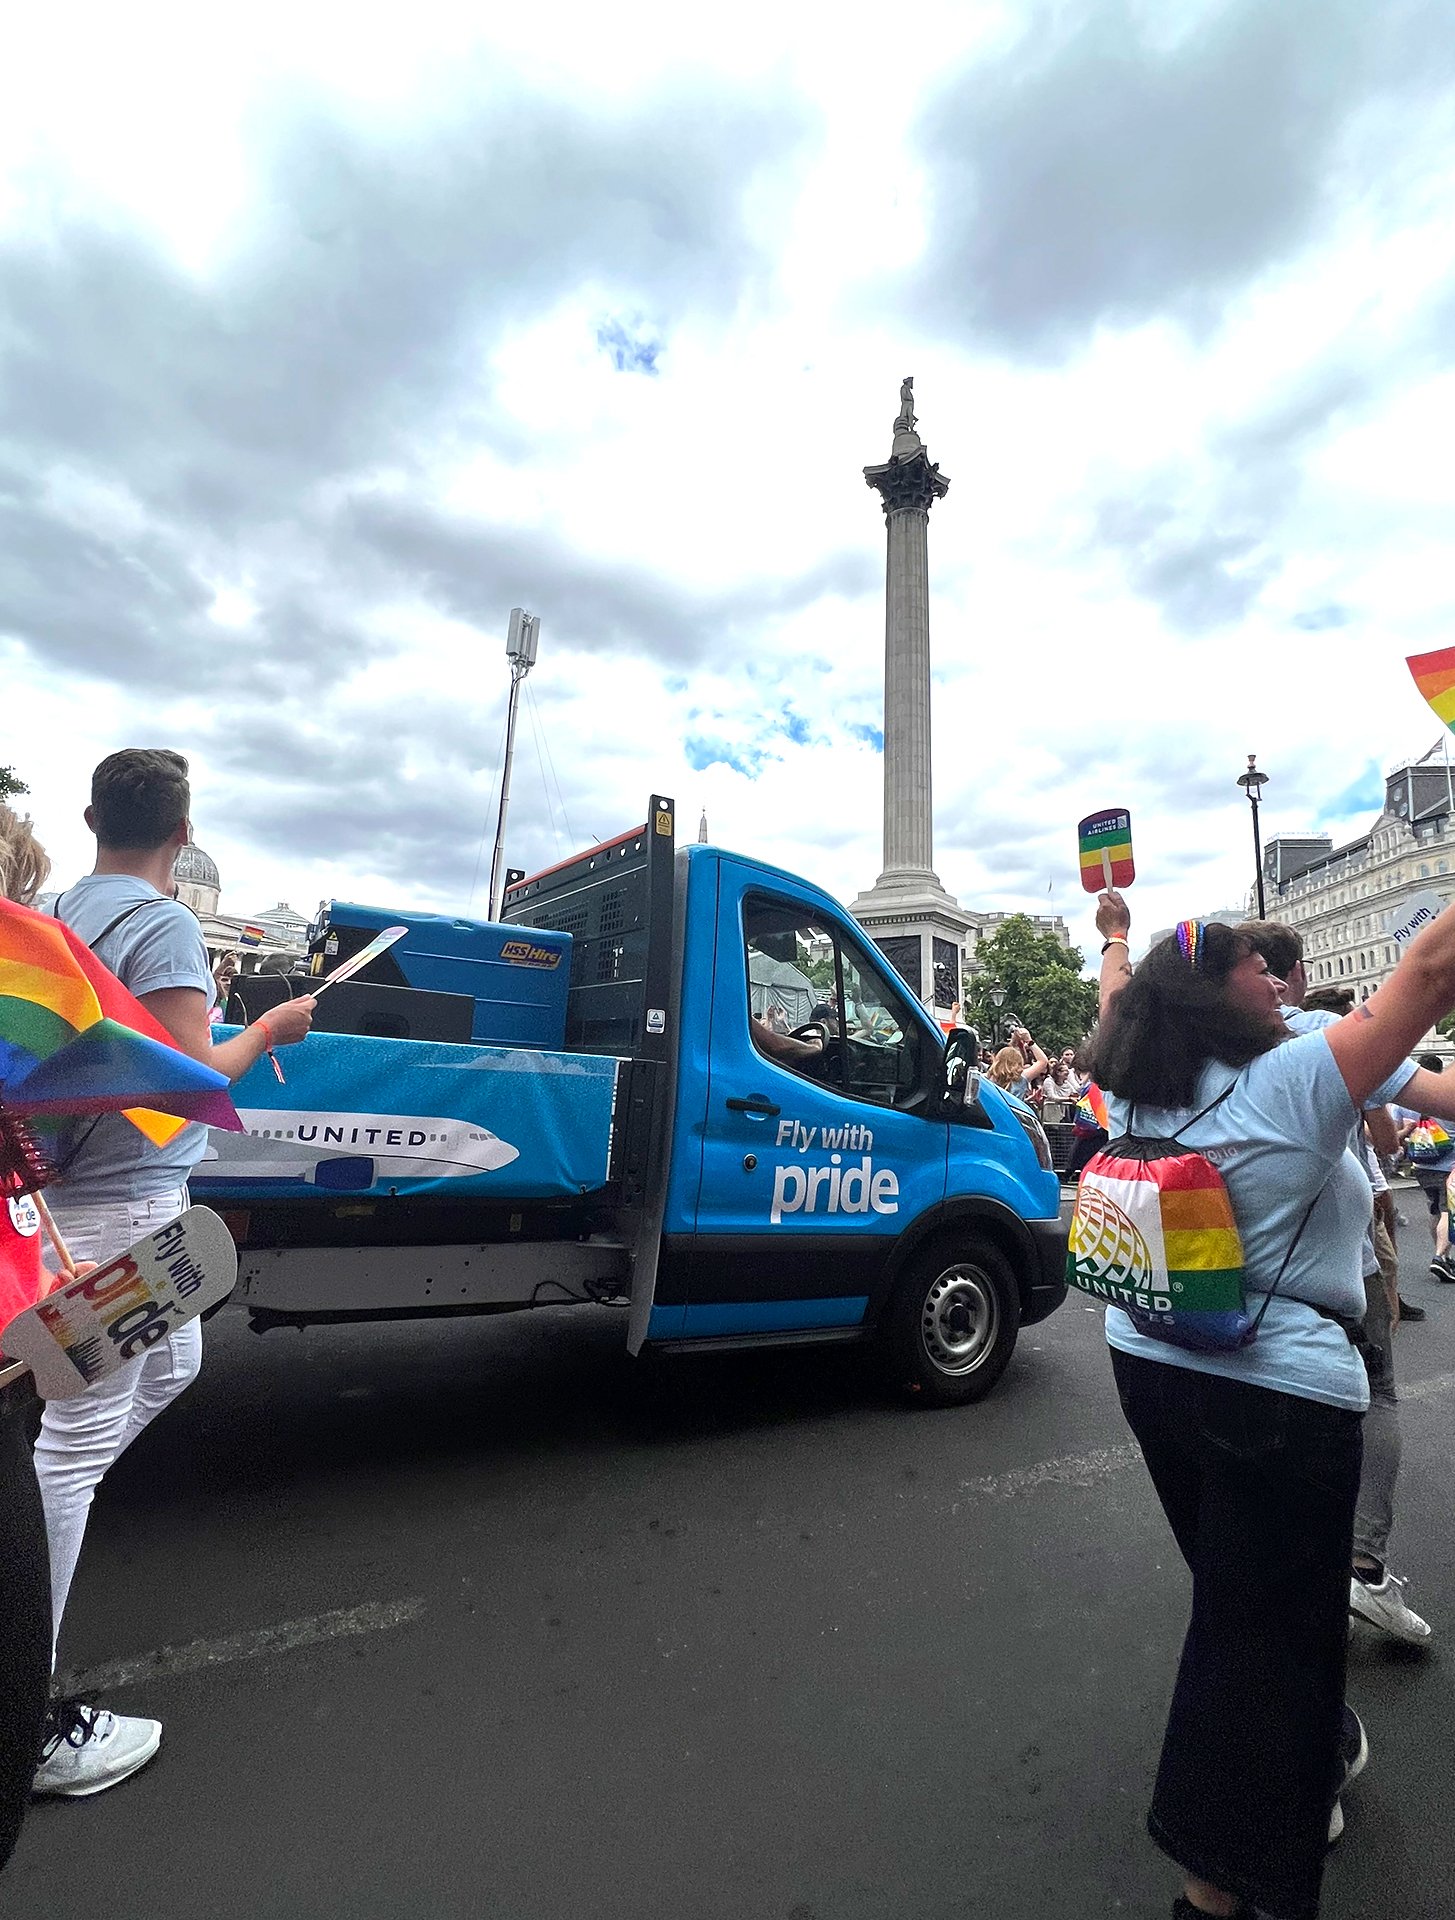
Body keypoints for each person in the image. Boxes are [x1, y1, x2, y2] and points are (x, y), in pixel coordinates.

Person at [1089, 885, 1455, 1920]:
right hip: (1273, 1398)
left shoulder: (1138, 1079)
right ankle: (1221, 1886)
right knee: (1257, 1640)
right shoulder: (1296, 1081)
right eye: (1258, 966)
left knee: (1242, 1596)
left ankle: (1317, 1750)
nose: (1278, 978)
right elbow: (1428, 975)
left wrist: (1115, 940)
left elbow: (1119, 998)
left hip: (1147, 1360)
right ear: (1219, 994)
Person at [31, 750, 315, 1798]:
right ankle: (27, 1713)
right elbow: (190, 1086)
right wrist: (274, 1030)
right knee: (73, 1449)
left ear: (93, 815)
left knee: (174, 1363)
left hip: (74, 1206)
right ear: (182, 834)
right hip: (130, 1218)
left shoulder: (56, 914)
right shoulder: (164, 925)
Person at [1240, 922, 1432, 1647]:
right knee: (1374, 1398)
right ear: (1292, 974)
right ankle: (1363, 1565)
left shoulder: (1210, 1045)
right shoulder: (1324, 1036)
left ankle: (1281, 1569)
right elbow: (1386, 1140)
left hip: (1254, 1276)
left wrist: (1114, 941)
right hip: (1339, 1264)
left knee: (1274, 1419)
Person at [1393, 1060, 1455, 1279]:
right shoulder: (1446, 1096)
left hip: (1421, 1163)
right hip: (1449, 1165)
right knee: (1449, 1211)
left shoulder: (1413, 1097)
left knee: (1435, 1210)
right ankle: (1440, 1256)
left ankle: (1445, 1258)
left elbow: (1397, 1128)